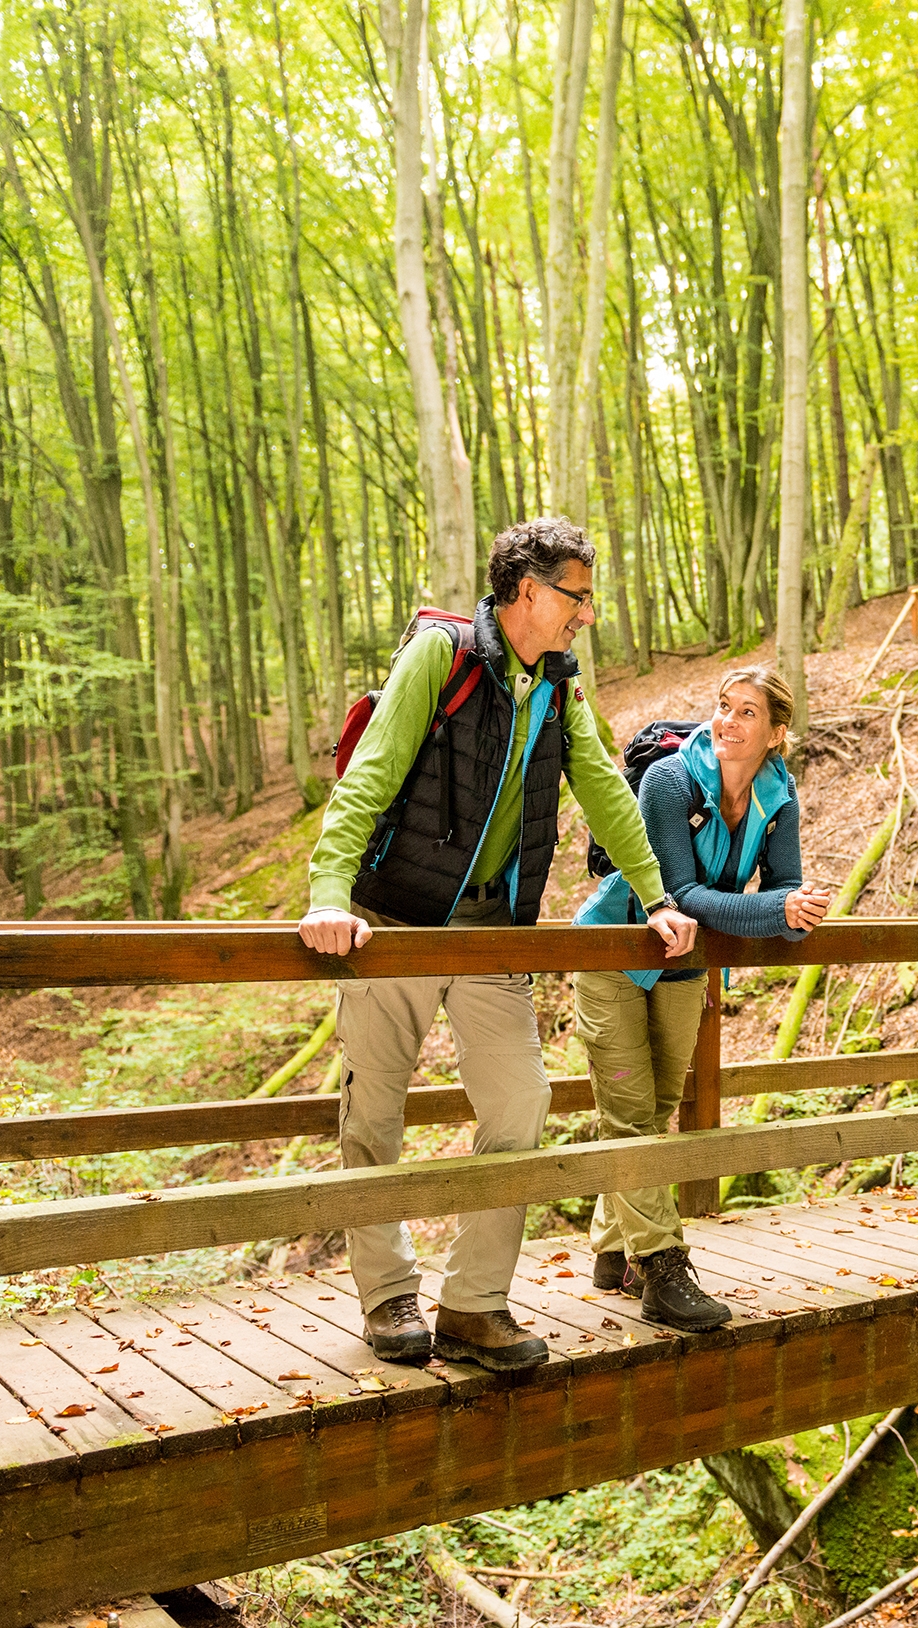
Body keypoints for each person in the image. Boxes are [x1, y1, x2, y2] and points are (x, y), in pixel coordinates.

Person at [297, 518, 698, 1373]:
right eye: (578, 597)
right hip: (396, 921)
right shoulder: (439, 659)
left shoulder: (559, 685)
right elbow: (368, 778)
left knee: (519, 1106)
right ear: (528, 592)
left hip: (492, 927)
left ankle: (473, 1306)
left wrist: (658, 896)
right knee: (374, 1118)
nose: (588, 615)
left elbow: (605, 791)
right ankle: (387, 1296)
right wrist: (329, 895)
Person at [571, 669, 834, 1331]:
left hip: (685, 967)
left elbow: (785, 885)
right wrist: (776, 908)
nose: (727, 722)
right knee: (631, 1112)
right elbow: (682, 893)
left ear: (776, 734)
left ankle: (611, 1251)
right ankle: (662, 1270)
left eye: (747, 712)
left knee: (654, 1109)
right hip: (615, 955)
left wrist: (793, 908)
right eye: (723, 707)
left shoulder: (779, 793)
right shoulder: (669, 780)